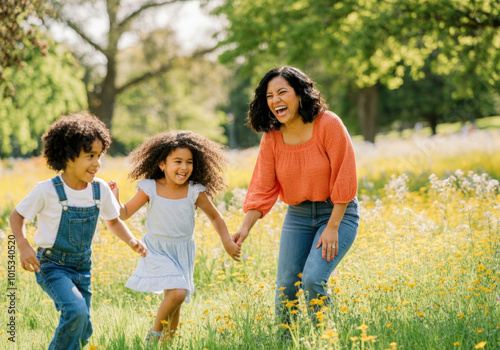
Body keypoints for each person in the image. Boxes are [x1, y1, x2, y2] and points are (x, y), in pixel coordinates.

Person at [232, 66, 359, 327]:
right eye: (269, 96)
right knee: (286, 285)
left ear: (300, 94)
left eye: (282, 92)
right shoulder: (272, 137)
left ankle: (325, 338)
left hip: (337, 213)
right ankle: (284, 340)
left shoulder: (328, 124)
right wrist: (245, 227)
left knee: (313, 279)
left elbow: (345, 176)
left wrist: (332, 226)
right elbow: (262, 186)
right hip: (298, 217)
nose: (275, 100)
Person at [9, 112, 148, 350]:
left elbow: (113, 221)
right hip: (52, 265)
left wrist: (131, 240)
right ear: (67, 157)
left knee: (84, 328)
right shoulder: (47, 190)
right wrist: (22, 245)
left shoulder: (99, 189)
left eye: (99, 155)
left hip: (83, 266)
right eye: (89, 156)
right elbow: (16, 216)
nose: (97, 163)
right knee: (75, 311)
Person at [108, 130, 241, 343]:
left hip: (183, 249)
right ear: (162, 164)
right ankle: (153, 336)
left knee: (175, 298)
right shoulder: (150, 187)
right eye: (177, 161)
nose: (184, 167)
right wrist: (115, 199)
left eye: (189, 162)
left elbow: (216, 217)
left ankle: (167, 343)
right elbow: (123, 213)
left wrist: (226, 241)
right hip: (156, 249)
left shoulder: (194, 191)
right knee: (178, 293)